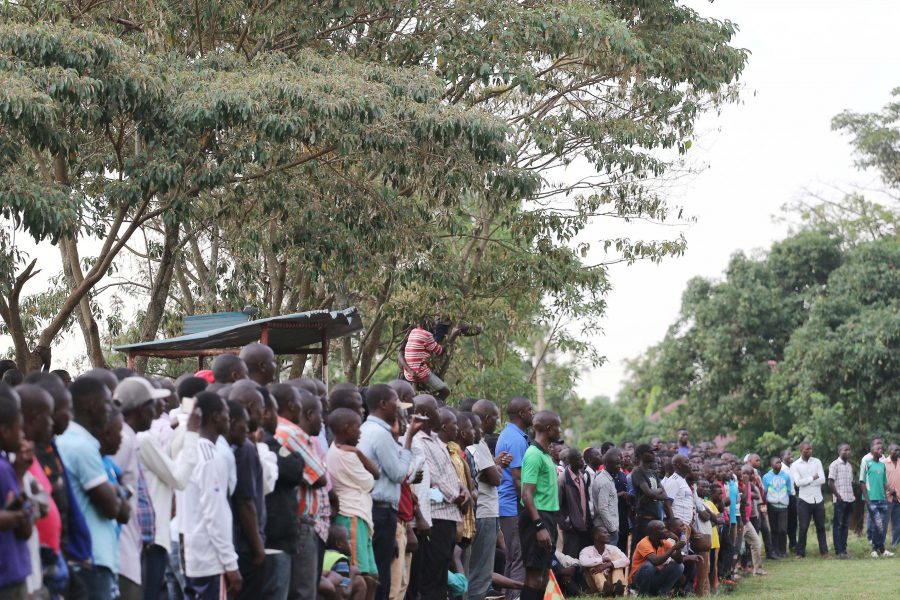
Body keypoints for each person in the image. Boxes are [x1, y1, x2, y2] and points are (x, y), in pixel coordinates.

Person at [56, 377, 130, 599]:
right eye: (106, 403)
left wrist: (114, 492)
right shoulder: (82, 446)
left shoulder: (68, 439)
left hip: (86, 557)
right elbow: (112, 508)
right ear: (92, 406)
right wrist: (118, 492)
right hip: (92, 557)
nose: (110, 410)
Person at [357, 383, 421, 600]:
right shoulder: (380, 434)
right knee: (382, 577)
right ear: (383, 404)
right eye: (396, 402)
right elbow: (398, 474)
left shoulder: (369, 429)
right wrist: (408, 441)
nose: (399, 407)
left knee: (379, 574)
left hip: (376, 509)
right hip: (381, 511)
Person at [111, 377, 169, 600]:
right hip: (122, 553)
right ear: (141, 409)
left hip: (134, 548)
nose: (157, 411)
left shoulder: (131, 439)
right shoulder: (122, 441)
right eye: (152, 405)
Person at [274, 386, 328, 600]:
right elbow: (319, 477)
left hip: (287, 520)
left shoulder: (276, 429)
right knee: (302, 591)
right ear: (291, 405)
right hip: (301, 520)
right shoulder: (291, 432)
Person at [411, 399, 467, 600]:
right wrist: (456, 496)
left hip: (449, 515)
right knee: (432, 576)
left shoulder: (435, 440)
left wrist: (463, 489)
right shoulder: (418, 441)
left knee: (442, 573)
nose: (439, 411)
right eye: (435, 408)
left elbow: (448, 472)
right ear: (425, 413)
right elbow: (432, 475)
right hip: (436, 516)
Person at [327, 408, 381, 596]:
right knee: (359, 576)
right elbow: (372, 480)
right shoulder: (344, 455)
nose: (360, 432)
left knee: (372, 575)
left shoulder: (345, 451)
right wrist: (358, 453)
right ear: (346, 428)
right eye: (357, 427)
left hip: (360, 517)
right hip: (351, 516)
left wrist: (357, 451)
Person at [518, 410, 561, 600]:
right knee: (534, 577)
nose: (560, 431)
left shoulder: (545, 454)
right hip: (537, 518)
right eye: (558, 427)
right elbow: (526, 494)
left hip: (548, 517)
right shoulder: (533, 454)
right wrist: (539, 526)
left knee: (543, 576)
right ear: (549, 428)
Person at [466, 400, 508, 600]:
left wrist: (495, 466)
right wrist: (496, 467)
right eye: (495, 419)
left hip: (485, 511)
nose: (497, 423)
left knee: (479, 569)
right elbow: (495, 478)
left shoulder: (479, 443)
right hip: (484, 512)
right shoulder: (477, 443)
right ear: (486, 418)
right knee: (480, 573)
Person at [495, 396, 533, 600]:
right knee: (519, 557)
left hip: (506, 506)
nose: (532, 414)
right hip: (513, 507)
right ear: (521, 413)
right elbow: (518, 479)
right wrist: (528, 508)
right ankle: (516, 596)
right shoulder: (517, 439)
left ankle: (508, 596)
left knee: (511, 558)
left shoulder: (508, 434)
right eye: (530, 410)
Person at [0, 383, 33, 600]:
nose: (23, 436)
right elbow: (25, 527)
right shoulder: (3, 468)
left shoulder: (7, 465)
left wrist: (19, 472)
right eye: (19, 429)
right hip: (8, 577)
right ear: (4, 430)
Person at [398, 318, 466, 401]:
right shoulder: (420, 334)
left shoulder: (416, 332)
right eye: (433, 325)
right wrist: (453, 335)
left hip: (418, 372)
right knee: (445, 392)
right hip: (415, 373)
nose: (434, 327)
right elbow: (400, 354)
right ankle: (435, 404)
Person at [789, 442, 828, 557]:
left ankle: (824, 552)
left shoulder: (817, 462)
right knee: (803, 527)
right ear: (801, 450)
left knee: (820, 527)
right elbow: (798, 483)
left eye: (810, 449)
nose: (809, 451)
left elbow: (822, 479)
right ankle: (800, 553)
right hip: (804, 500)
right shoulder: (795, 465)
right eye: (807, 449)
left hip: (818, 499)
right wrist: (812, 478)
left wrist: (807, 481)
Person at [631, 444, 669, 556]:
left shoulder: (653, 473)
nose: (653, 454)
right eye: (650, 452)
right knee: (638, 550)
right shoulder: (637, 471)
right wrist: (656, 492)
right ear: (641, 455)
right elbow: (648, 492)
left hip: (656, 519)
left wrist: (653, 493)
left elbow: (665, 495)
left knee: (653, 551)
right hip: (644, 519)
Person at [629, 520, 685, 597]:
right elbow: (655, 561)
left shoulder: (664, 542)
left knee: (679, 566)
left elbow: (679, 560)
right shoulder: (644, 543)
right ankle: (643, 595)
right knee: (649, 566)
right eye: (662, 529)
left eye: (665, 528)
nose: (665, 530)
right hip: (638, 580)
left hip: (653, 578)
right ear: (653, 533)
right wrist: (674, 547)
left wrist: (677, 543)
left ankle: (662, 594)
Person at [860, 440, 892, 557]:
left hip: (882, 499)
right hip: (871, 499)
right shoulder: (866, 463)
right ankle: (874, 549)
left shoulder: (882, 465)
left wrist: (891, 491)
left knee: (882, 525)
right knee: (876, 523)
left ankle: (882, 549)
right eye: (878, 449)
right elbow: (862, 482)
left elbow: (884, 482)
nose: (881, 450)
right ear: (872, 451)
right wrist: (867, 500)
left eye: (881, 449)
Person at [558, 448, 591, 558]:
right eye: (578, 459)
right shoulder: (562, 479)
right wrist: (566, 524)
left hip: (584, 526)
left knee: (584, 559)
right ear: (569, 461)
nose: (581, 461)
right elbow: (557, 505)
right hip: (571, 529)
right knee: (570, 559)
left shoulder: (581, 476)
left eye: (581, 458)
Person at [578, 526, 628, 597]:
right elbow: (583, 562)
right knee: (593, 565)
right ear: (596, 536)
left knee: (617, 558)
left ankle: (617, 589)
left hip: (611, 581)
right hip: (595, 583)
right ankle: (605, 590)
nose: (608, 534)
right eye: (605, 533)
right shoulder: (586, 550)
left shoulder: (613, 548)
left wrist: (608, 564)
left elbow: (626, 561)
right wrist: (602, 560)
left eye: (608, 532)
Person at [827, 443, 855, 559]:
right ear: (839, 451)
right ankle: (838, 551)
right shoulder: (834, 464)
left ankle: (844, 549)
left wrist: (852, 497)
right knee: (838, 525)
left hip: (849, 499)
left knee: (845, 525)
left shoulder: (849, 466)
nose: (848, 452)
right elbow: (830, 483)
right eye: (845, 450)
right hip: (840, 500)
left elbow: (850, 483)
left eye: (849, 450)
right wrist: (838, 496)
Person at [762, 456, 792, 559]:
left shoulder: (786, 476)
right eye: (776, 463)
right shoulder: (766, 477)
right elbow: (765, 491)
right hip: (772, 505)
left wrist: (784, 499)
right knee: (774, 529)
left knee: (783, 529)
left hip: (783, 505)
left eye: (780, 462)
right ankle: (775, 550)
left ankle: (783, 550)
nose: (779, 464)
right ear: (771, 465)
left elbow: (789, 490)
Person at [590, 448, 621, 546]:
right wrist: (612, 529)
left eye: (619, 463)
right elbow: (603, 508)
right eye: (616, 464)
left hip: (606, 527)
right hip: (607, 529)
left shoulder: (605, 478)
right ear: (607, 464)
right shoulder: (605, 482)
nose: (619, 467)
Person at [780, 449, 797, 553]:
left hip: (792, 497)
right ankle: (782, 546)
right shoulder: (781, 469)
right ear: (782, 457)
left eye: (791, 453)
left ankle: (793, 544)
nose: (791, 455)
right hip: (784, 497)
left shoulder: (793, 467)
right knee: (784, 522)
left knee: (793, 522)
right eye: (788, 454)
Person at [884, 444, 900, 548]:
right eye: (895, 450)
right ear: (890, 451)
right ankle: (880, 545)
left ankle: (895, 545)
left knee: (898, 523)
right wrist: (889, 489)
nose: (898, 452)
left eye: (899, 450)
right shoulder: (883, 463)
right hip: (886, 497)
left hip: (898, 498)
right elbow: (880, 479)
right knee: (884, 522)